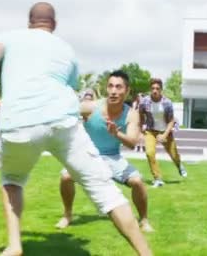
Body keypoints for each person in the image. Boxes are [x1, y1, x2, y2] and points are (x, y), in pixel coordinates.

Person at [0, 2, 151, 256]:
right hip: (63, 122)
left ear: (29, 23)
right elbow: (68, 87)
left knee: (12, 180)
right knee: (107, 193)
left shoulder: (9, 38)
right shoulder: (66, 49)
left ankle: (14, 244)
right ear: (53, 25)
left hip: (19, 123)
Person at [55, 70, 154, 232]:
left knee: (137, 182)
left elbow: (132, 142)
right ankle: (67, 215)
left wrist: (117, 133)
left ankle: (143, 220)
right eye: (110, 86)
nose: (113, 91)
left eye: (118, 87)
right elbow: (58, 109)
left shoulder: (131, 114)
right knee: (65, 176)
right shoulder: (90, 107)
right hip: (87, 154)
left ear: (127, 91)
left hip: (113, 157)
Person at [139, 78, 187, 188]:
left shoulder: (167, 103)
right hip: (151, 130)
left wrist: (164, 135)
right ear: (150, 89)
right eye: (153, 88)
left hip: (165, 130)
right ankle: (158, 179)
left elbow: (171, 121)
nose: (155, 91)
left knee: (174, 154)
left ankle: (179, 165)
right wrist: (142, 125)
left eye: (157, 88)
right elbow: (140, 113)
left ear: (161, 90)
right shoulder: (145, 101)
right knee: (149, 153)